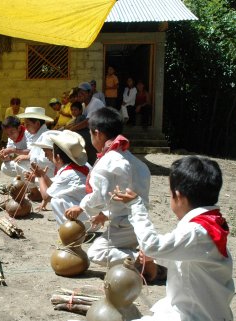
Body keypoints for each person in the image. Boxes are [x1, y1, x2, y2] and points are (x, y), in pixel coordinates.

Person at [112, 156, 234, 321]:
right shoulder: (208, 223)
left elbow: (152, 244)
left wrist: (136, 206)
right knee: (159, 308)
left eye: (170, 194)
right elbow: (182, 259)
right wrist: (151, 257)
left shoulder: (196, 232)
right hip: (214, 318)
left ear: (178, 196)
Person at [64, 107, 150, 268]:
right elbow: (121, 195)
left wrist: (81, 207)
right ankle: (140, 255)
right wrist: (104, 214)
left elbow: (100, 196)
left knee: (96, 252)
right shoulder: (133, 160)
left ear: (98, 134)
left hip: (126, 223)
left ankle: (144, 260)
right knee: (113, 246)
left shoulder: (107, 163)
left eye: (90, 134)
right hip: (140, 220)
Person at [30, 130, 90, 225]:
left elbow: (46, 196)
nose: (46, 155)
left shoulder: (68, 173)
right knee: (59, 195)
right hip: (92, 214)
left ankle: (71, 231)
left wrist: (40, 176)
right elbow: (55, 186)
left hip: (86, 219)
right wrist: (43, 176)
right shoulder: (80, 166)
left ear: (57, 157)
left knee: (56, 200)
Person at [0, 106, 54, 177]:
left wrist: (28, 157)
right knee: (7, 166)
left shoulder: (46, 136)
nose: (25, 126)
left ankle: (32, 184)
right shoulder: (37, 135)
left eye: (27, 124)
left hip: (49, 172)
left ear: (37, 124)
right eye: (24, 123)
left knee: (21, 163)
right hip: (38, 168)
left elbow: (49, 160)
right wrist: (6, 157)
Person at [68, 82, 105, 164]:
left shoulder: (95, 102)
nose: (80, 95)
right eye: (79, 93)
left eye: (82, 93)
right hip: (92, 134)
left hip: (100, 134)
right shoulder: (84, 105)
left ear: (89, 93)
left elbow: (87, 122)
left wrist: (71, 129)